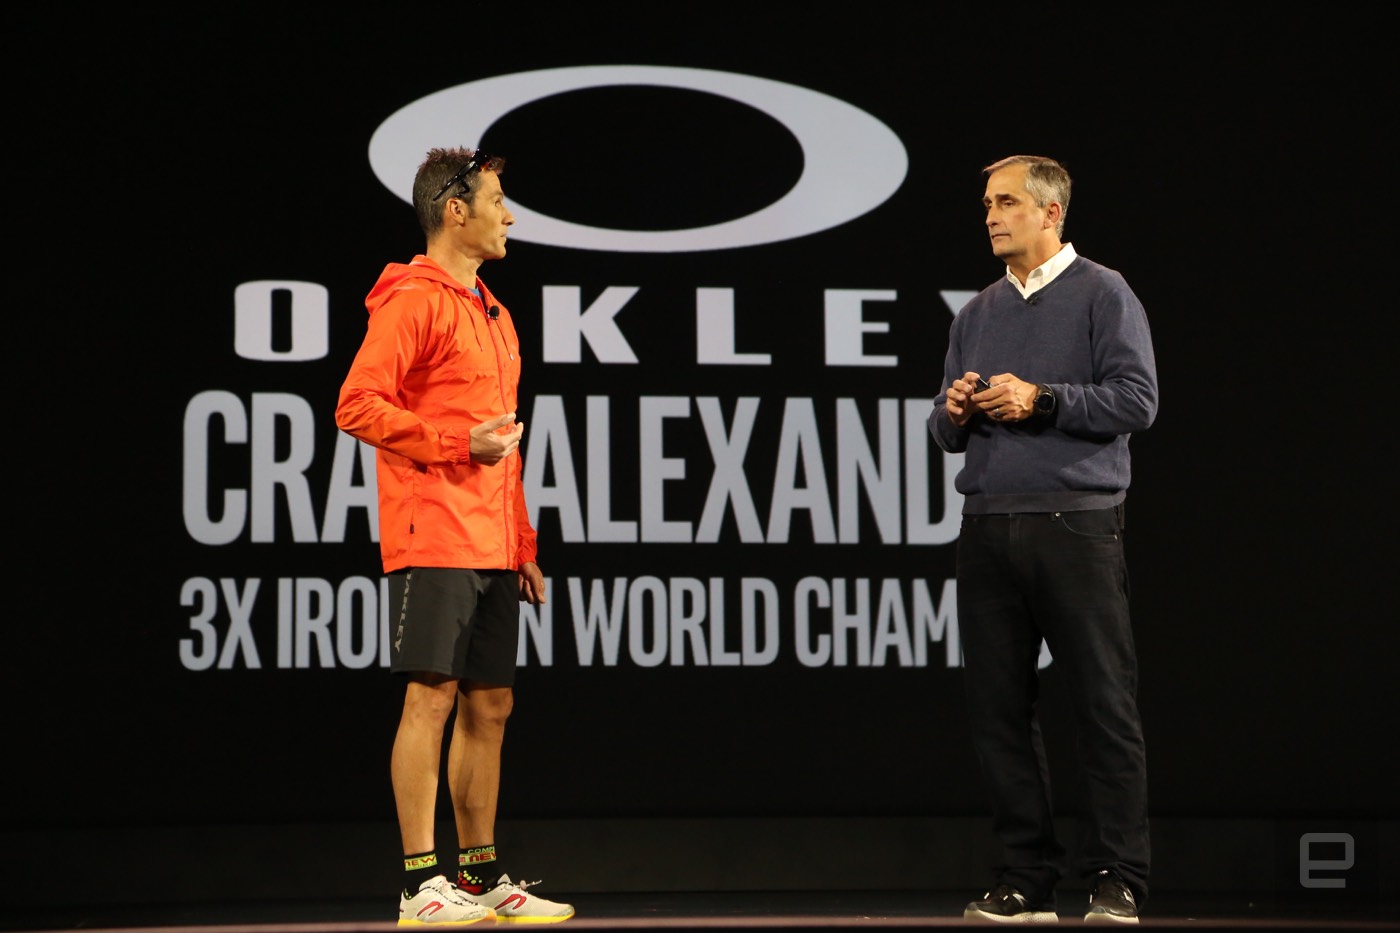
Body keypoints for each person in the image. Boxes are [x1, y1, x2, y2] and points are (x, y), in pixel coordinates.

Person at [336, 146, 575, 925]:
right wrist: (452, 442)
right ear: (455, 210)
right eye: (498, 201)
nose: (510, 216)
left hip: (491, 539)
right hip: (432, 527)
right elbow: (356, 403)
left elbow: (502, 441)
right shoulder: (412, 300)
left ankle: (479, 875)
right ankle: (420, 884)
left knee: (492, 705)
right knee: (431, 697)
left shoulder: (494, 313)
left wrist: (522, 542)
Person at [927, 155, 1157, 925]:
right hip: (988, 525)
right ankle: (1026, 876)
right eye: (987, 204)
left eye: (1006, 202)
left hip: (1076, 523)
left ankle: (1117, 875)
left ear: (1051, 213)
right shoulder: (976, 313)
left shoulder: (1103, 292)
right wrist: (955, 409)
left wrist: (1043, 399)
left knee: (1102, 703)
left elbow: (1138, 399)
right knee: (998, 710)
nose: (991, 216)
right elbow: (942, 431)